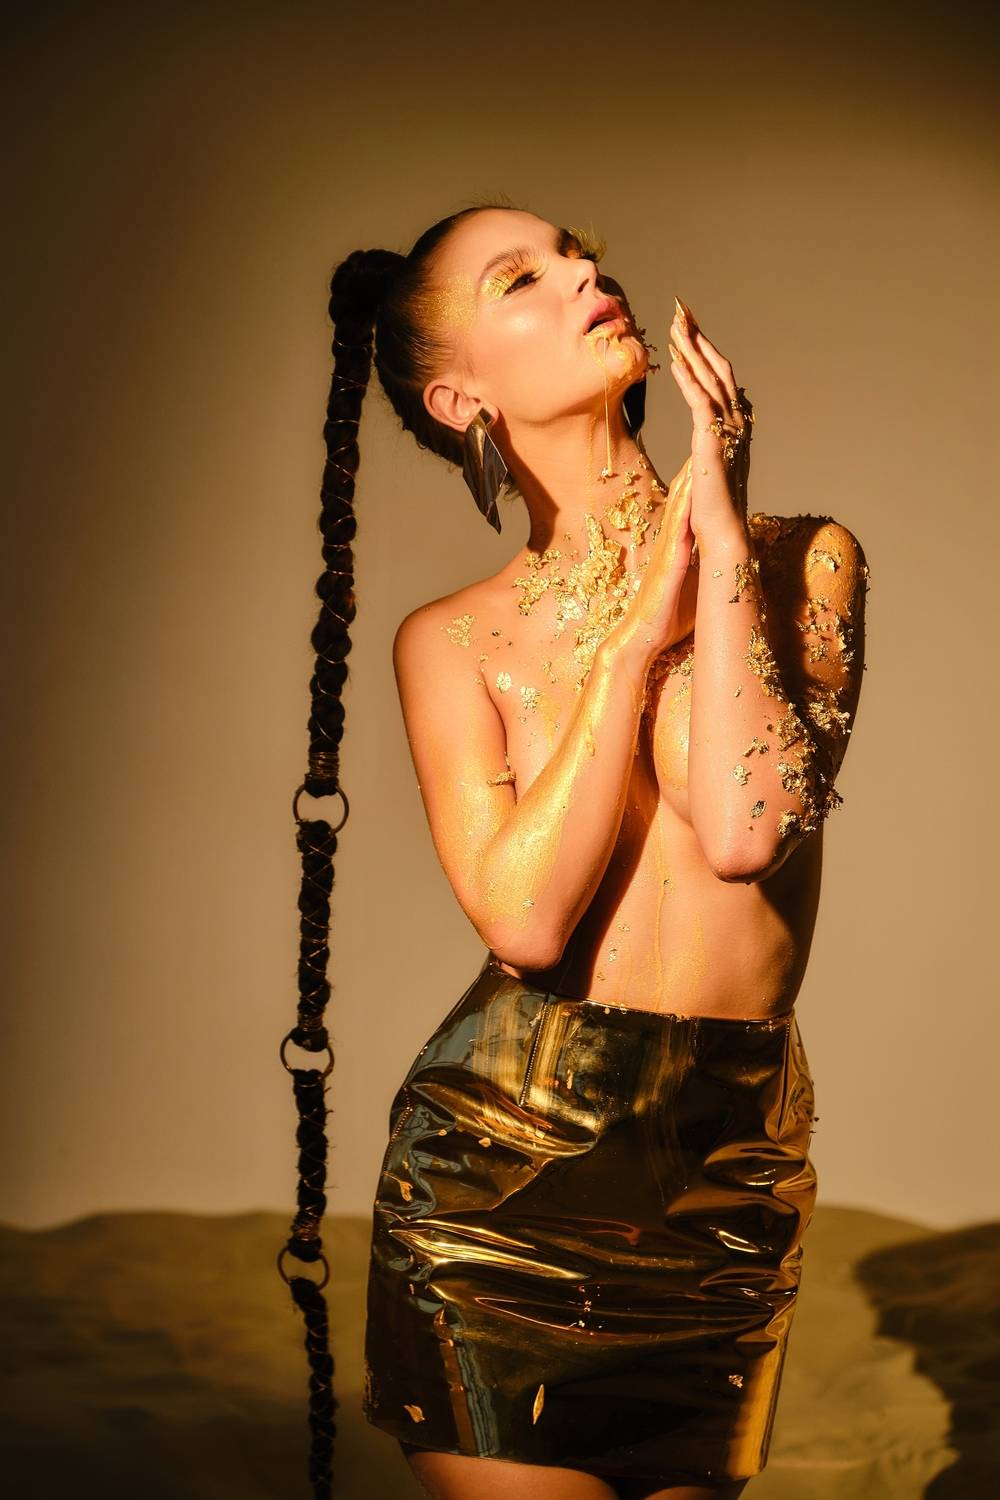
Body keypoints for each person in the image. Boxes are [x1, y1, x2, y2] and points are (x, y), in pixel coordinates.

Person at [320, 201, 869, 1500]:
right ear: (460, 400)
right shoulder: (453, 641)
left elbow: (744, 828)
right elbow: (525, 922)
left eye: (578, 253)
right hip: (504, 1178)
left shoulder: (802, 562)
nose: (581, 275)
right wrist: (628, 649)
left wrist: (719, 532)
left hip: (728, 1179)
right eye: (522, 276)